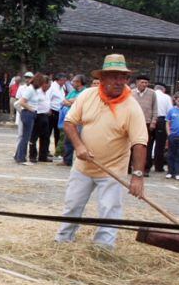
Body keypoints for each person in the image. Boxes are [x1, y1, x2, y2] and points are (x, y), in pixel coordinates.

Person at [55, 54, 148, 249]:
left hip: (113, 169)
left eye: (122, 77)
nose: (118, 81)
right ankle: (63, 241)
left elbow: (139, 143)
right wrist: (79, 146)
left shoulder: (132, 107)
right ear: (102, 78)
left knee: (109, 210)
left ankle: (103, 248)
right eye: (113, 76)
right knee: (72, 206)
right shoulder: (88, 95)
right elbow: (70, 122)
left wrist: (138, 176)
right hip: (83, 166)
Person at [14, 73, 48, 165]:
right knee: (26, 137)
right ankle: (21, 158)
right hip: (28, 113)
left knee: (25, 136)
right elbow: (21, 102)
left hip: (30, 114)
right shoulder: (30, 90)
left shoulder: (35, 90)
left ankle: (18, 156)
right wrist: (32, 109)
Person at [131, 75, 157, 176]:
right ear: (137, 82)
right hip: (133, 122)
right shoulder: (131, 93)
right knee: (132, 145)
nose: (144, 84)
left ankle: (145, 168)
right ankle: (131, 166)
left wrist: (153, 121)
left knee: (146, 146)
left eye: (146, 83)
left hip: (147, 122)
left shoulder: (152, 93)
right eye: (142, 82)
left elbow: (155, 108)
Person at [60, 74, 87, 167]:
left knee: (82, 140)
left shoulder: (85, 92)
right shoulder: (73, 91)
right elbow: (64, 101)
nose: (72, 83)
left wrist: (71, 102)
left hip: (80, 120)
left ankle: (82, 161)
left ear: (80, 82)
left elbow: (79, 102)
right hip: (71, 119)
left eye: (75, 81)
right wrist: (71, 102)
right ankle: (67, 160)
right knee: (68, 140)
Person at [29, 75, 52, 162]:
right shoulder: (37, 92)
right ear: (43, 84)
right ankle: (32, 156)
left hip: (45, 116)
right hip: (38, 116)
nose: (49, 87)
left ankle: (43, 156)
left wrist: (48, 109)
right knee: (34, 137)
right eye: (48, 85)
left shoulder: (46, 92)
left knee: (45, 137)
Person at [152, 84, 172, 172]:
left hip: (150, 119)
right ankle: (158, 166)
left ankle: (147, 164)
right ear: (163, 90)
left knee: (148, 143)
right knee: (160, 145)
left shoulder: (151, 95)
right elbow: (170, 111)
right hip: (161, 119)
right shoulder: (166, 97)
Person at [47, 73, 67, 155]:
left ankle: (57, 150)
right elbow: (47, 98)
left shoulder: (62, 87)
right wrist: (48, 109)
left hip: (60, 111)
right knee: (48, 132)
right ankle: (46, 150)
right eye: (63, 80)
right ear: (59, 80)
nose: (64, 82)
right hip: (52, 111)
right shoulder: (52, 87)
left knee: (58, 132)